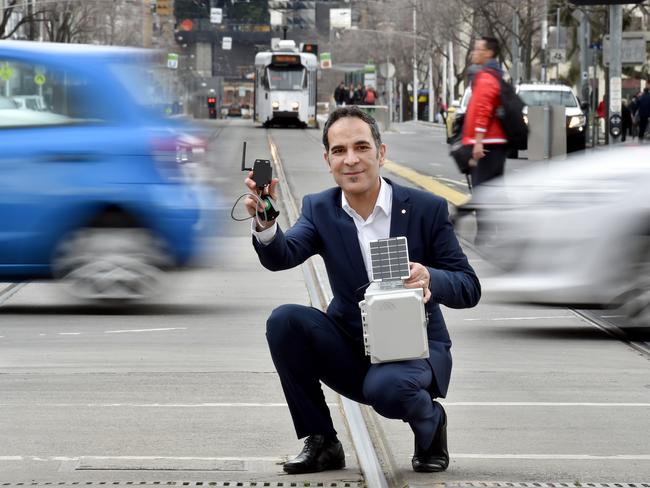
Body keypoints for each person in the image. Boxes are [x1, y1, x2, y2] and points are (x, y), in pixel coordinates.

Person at [244, 106, 481, 474]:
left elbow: (469, 287)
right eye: (339, 151)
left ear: (380, 153)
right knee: (285, 321)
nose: (351, 160)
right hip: (351, 346)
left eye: (361, 147)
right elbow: (282, 255)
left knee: (387, 389)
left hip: (412, 351)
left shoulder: (425, 209)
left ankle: (431, 424)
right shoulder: (319, 208)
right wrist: (266, 220)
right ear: (327, 159)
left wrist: (431, 277)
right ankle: (322, 441)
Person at [461, 36, 507, 245]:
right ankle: (501, 230)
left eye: (478, 49)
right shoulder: (490, 74)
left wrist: (478, 141)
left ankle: (485, 233)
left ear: (489, 53)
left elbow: (483, 110)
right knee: (493, 189)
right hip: (492, 142)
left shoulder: (486, 77)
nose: (474, 52)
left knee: (482, 188)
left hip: (488, 142)